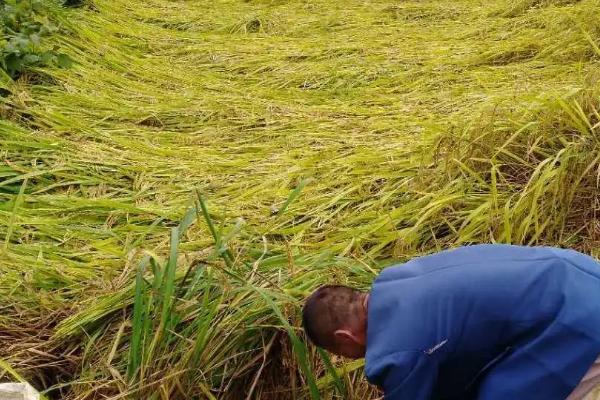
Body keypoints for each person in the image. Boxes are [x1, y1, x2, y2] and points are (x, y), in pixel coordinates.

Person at [302, 244, 600, 400]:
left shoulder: (397, 351)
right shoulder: (395, 281)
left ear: (344, 337)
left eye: (339, 353)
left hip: (576, 319)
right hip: (578, 274)